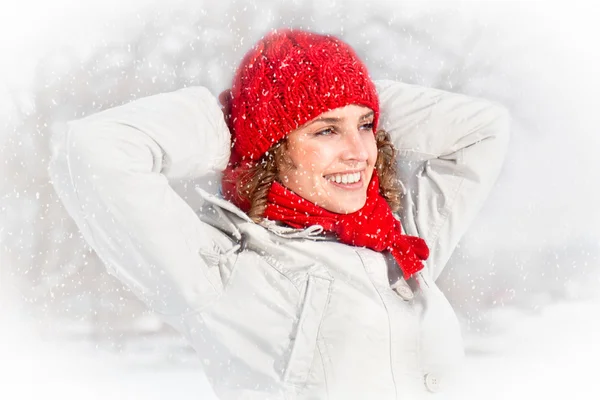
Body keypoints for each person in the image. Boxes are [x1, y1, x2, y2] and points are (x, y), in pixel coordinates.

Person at [49, 28, 510, 399]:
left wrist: (341, 92)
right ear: (270, 150)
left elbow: (483, 130)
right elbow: (95, 149)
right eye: (326, 130)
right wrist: (243, 119)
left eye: (367, 125)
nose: (359, 152)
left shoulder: (402, 242)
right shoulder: (223, 268)